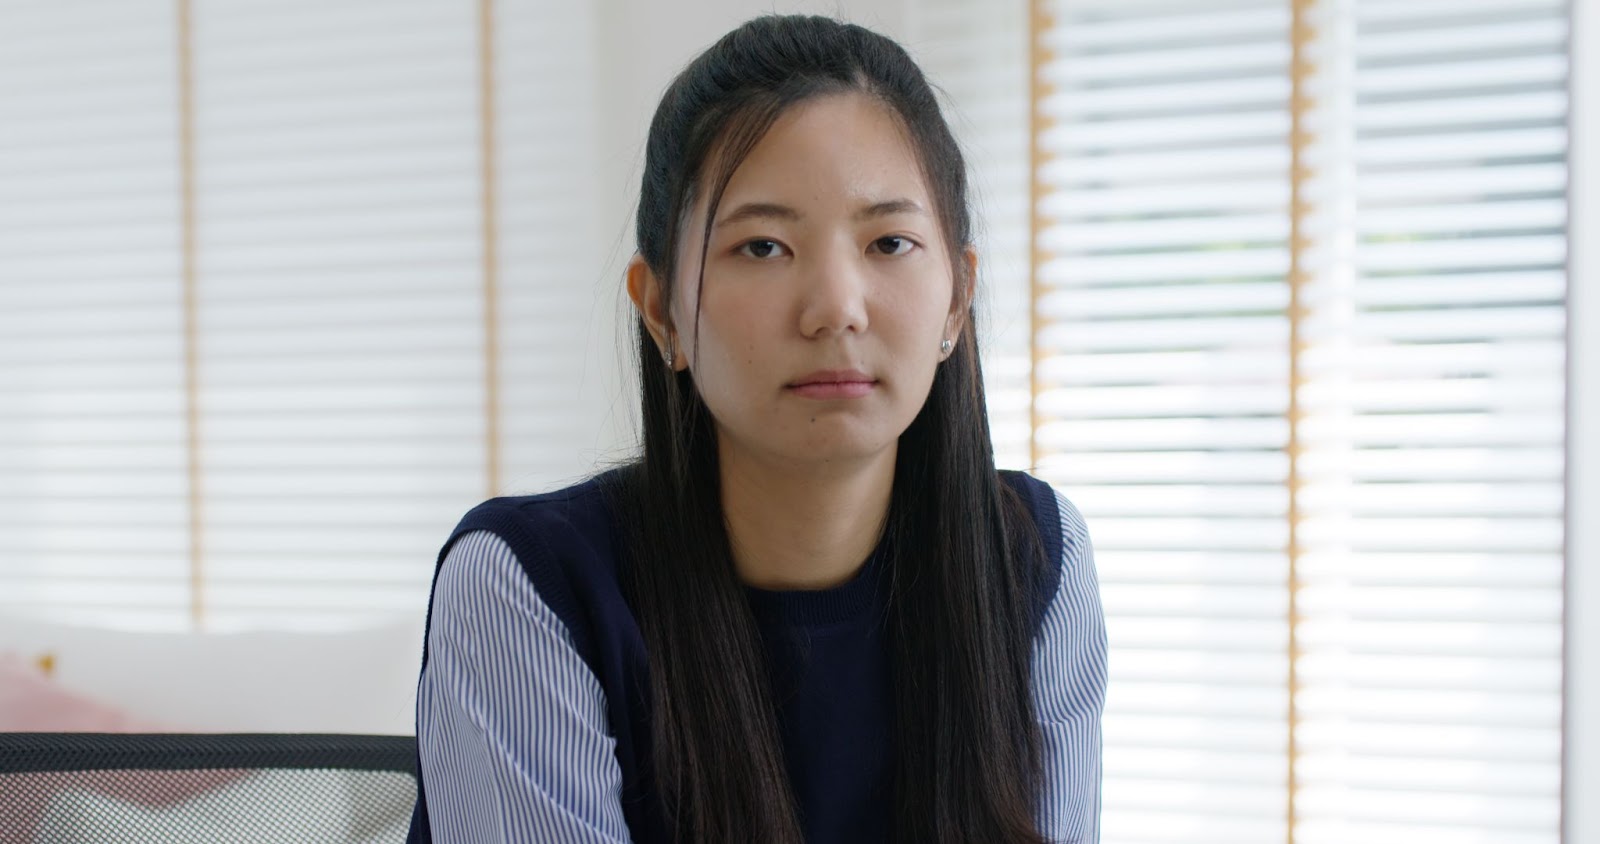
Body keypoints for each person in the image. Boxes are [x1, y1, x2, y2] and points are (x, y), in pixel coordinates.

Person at [406, 14, 1106, 844]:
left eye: (889, 241)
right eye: (764, 247)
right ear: (662, 308)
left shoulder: (1033, 558)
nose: (836, 308)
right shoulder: (532, 587)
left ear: (958, 297)